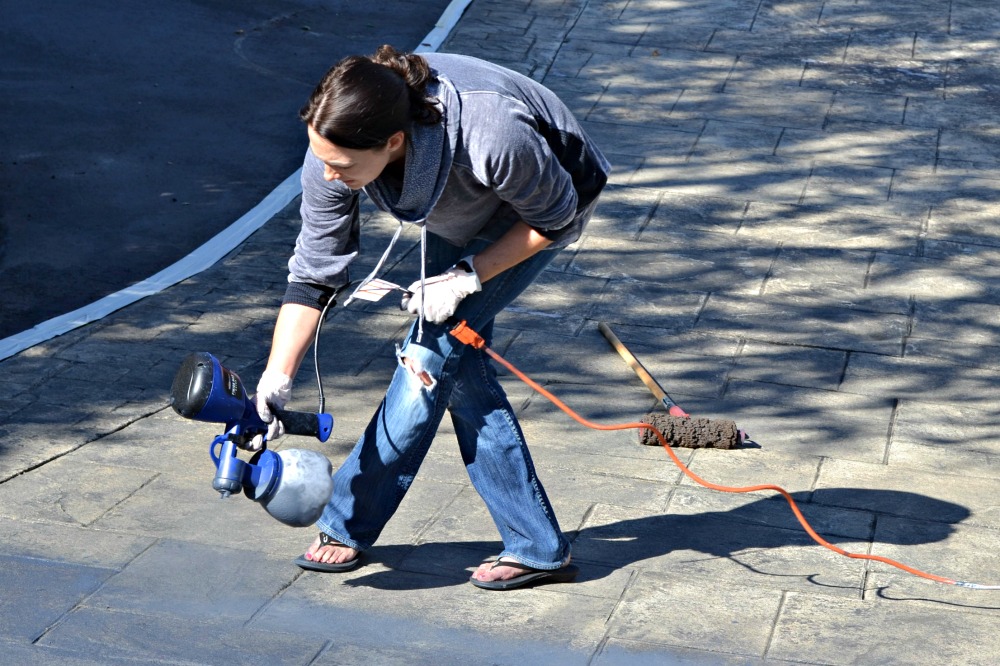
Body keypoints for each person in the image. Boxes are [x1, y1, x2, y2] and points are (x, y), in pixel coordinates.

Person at [252, 44, 609, 590]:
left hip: (543, 200)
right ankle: (536, 545)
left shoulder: (492, 134)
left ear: (393, 141)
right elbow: (314, 272)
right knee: (455, 367)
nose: (326, 175)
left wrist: (469, 274)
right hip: (463, 199)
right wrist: (277, 376)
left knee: (429, 354)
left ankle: (349, 520)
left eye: (341, 166)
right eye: (320, 157)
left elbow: (556, 216)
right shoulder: (335, 144)